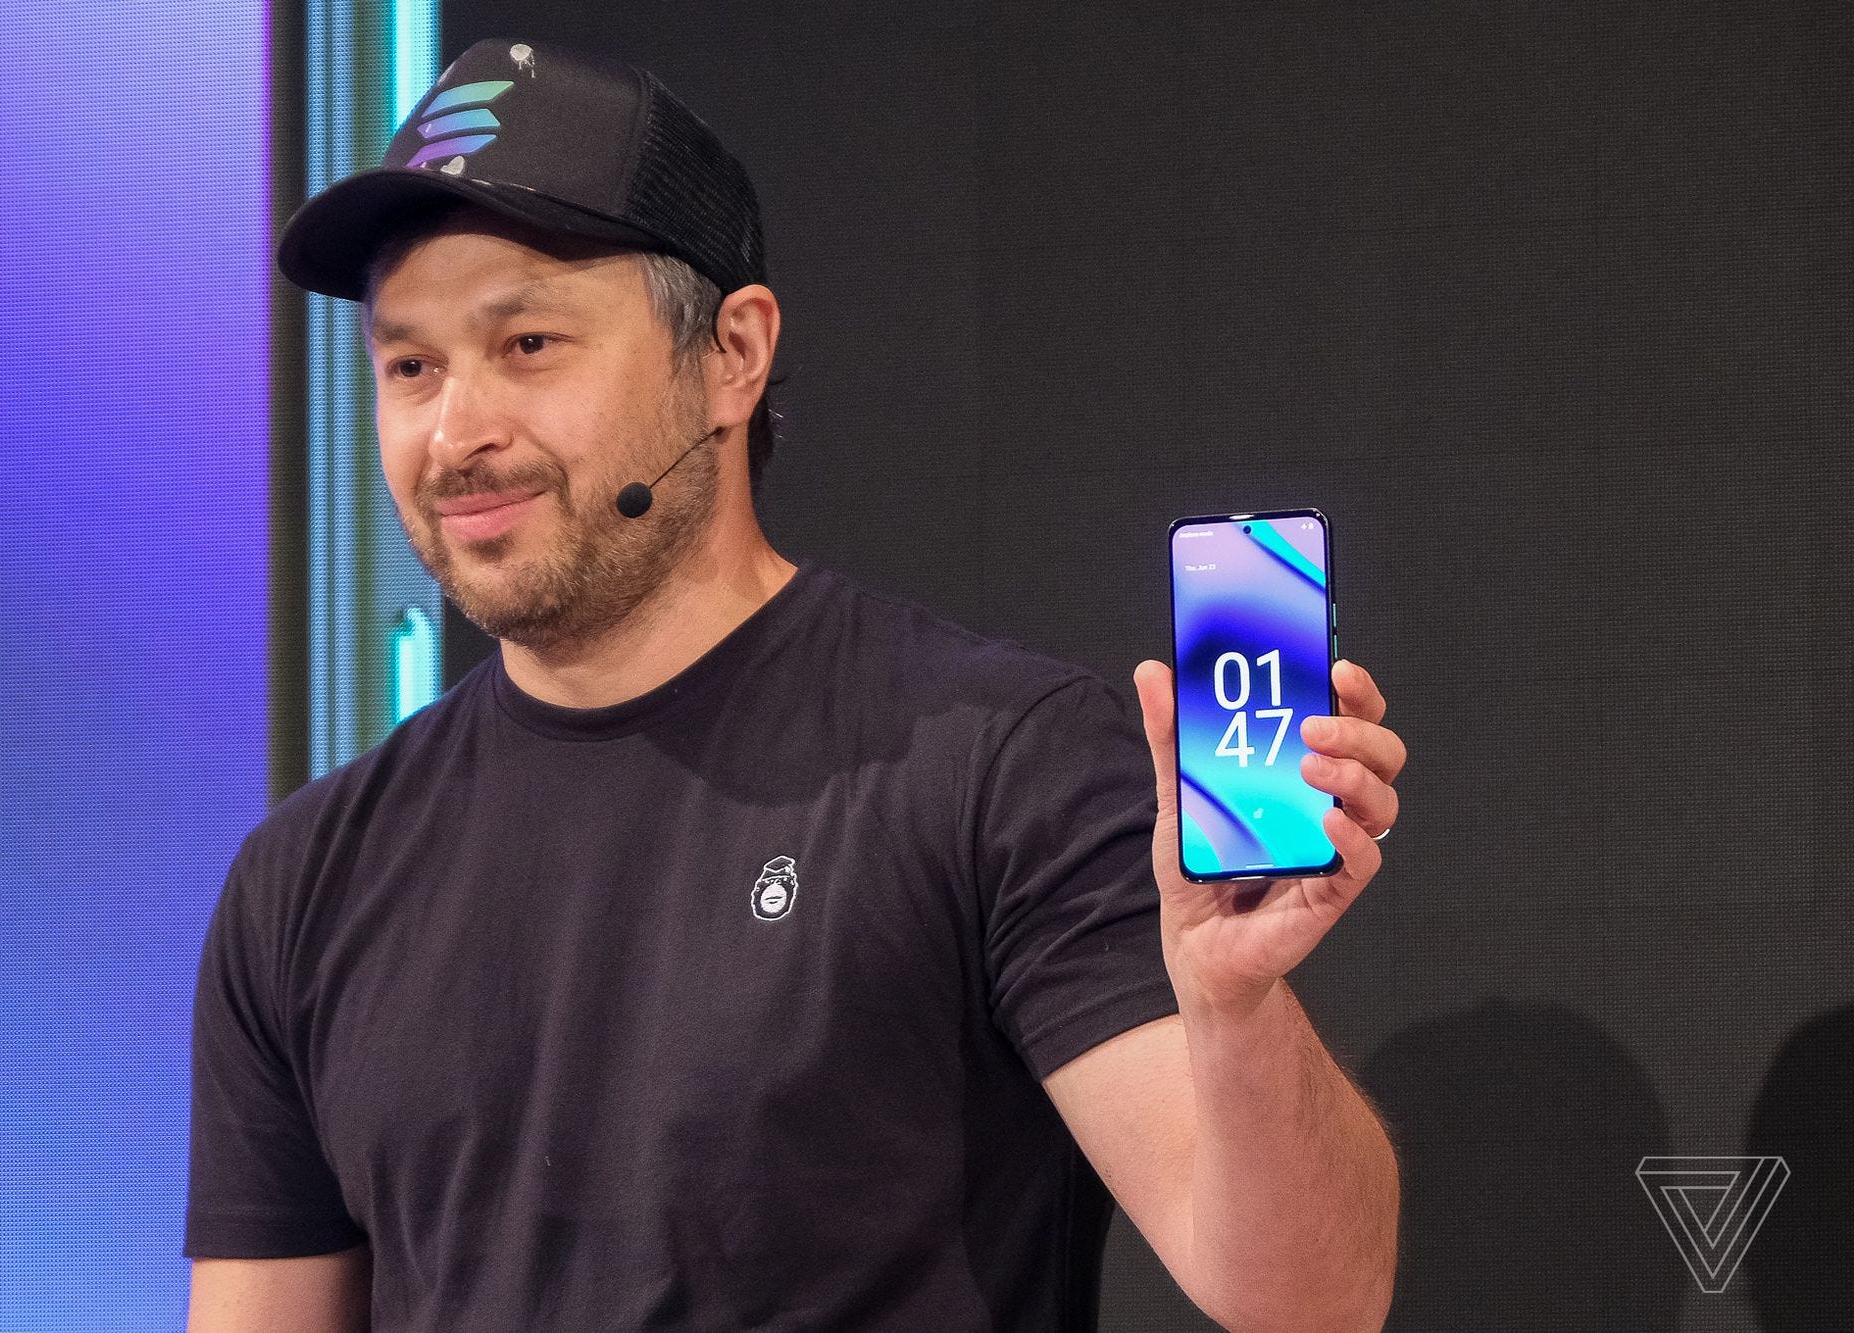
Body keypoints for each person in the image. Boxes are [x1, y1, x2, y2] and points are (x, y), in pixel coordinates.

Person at [185, 37, 1407, 1333]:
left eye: (528, 343)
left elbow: (1310, 1302)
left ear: (733, 354)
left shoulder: (998, 766)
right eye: (411, 367)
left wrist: (1235, 1008)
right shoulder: (301, 881)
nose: (455, 433)